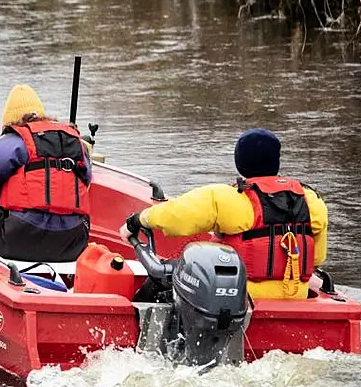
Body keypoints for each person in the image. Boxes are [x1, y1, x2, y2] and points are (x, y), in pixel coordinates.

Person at [119, 128, 327, 300]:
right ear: (276, 162)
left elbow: (176, 218)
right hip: (298, 297)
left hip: (239, 298)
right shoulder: (311, 201)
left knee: (162, 282)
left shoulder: (227, 198)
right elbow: (317, 258)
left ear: (240, 162)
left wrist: (137, 220)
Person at [0, 84, 92, 262]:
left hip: (18, 241)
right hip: (73, 243)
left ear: (9, 122)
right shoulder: (78, 145)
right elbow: (86, 183)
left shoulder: (12, 143)